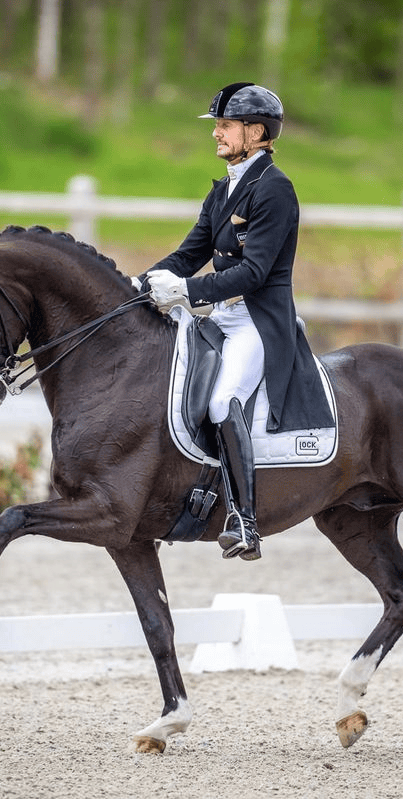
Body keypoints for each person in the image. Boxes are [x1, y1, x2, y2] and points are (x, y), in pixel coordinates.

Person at [143, 82, 334, 561]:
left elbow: (254, 272)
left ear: (257, 132)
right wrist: (139, 283)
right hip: (220, 316)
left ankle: (244, 521)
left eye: (225, 126)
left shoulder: (275, 189)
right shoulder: (225, 188)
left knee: (222, 401)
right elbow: (189, 254)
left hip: (257, 323)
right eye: (219, 127)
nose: (218, 135)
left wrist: (185, 292)